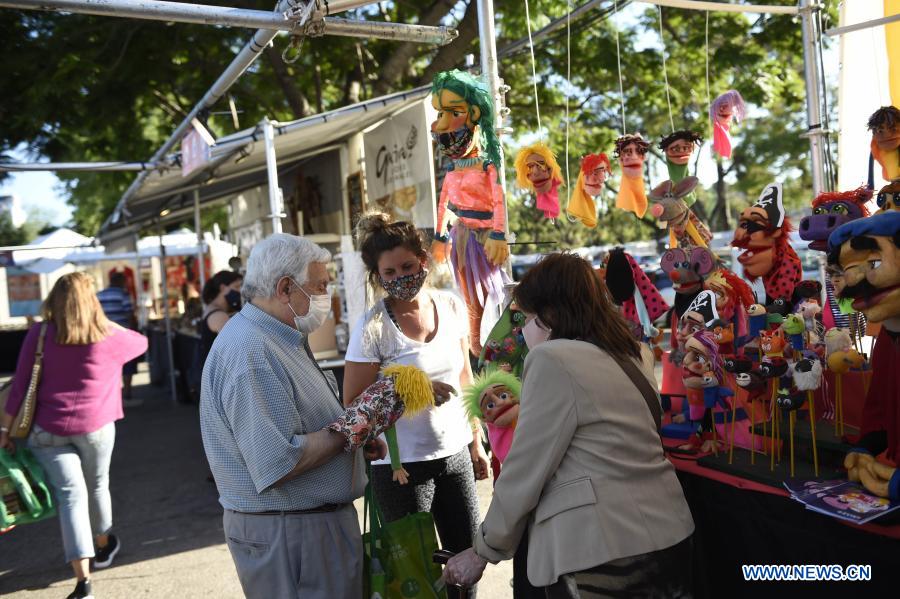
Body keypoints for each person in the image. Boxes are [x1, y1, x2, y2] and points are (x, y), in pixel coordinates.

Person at [443, 253, 695, 598]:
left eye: (527, 317)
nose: (523, 328)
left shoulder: (552, 359)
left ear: (549, 314)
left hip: (604, 548)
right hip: (670, 530)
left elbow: (527, 467)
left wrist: (484, 549)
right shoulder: (634, 353)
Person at [200, 233, 385, 599]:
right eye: (320, 285)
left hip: (302, 529)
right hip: (295, 534)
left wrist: (352, 446)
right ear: (285, 288)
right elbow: (277, 462)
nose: (327, 295)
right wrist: (351, 428)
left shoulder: (272, 336)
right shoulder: (252, 350)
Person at [343, 214, 489, 599]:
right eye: (389, 273)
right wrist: (415, 390)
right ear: (377, 276)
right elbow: (353, 404)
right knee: (418, 576)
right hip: (400, 470)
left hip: (455, 455)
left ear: (424, 260)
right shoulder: (373, 327)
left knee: (467, 564)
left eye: (407, 267)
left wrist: (476, 443)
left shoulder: (451, 305)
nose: (400, 278)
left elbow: (466, 379)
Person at [1, 272, 148, 599]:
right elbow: (141, 342)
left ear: (54, 299)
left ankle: (83, 582)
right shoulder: (106, 334)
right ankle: (103, 544)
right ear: (92, 301)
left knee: (71, 497)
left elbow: (20, 385)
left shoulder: (40, 333)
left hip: (48, 431)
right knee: (97, 486)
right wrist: (103, 319)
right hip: (97, 428)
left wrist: (4, 430)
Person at [97, 271, 140, 401]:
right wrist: (134, 331)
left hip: (104, 336)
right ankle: (127, 391)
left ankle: (113, 394)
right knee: (126, 364)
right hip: (122, 335)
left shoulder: (99, 295)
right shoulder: (123, 294)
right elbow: (129, 314)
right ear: (121, 281)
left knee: (109, 365)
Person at [197, 270, 243, 372]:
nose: (240, 291)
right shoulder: (219, 316)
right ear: (223, 288)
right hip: (214, 371)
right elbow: (234, 348)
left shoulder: (212, 308)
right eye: (236, 287)